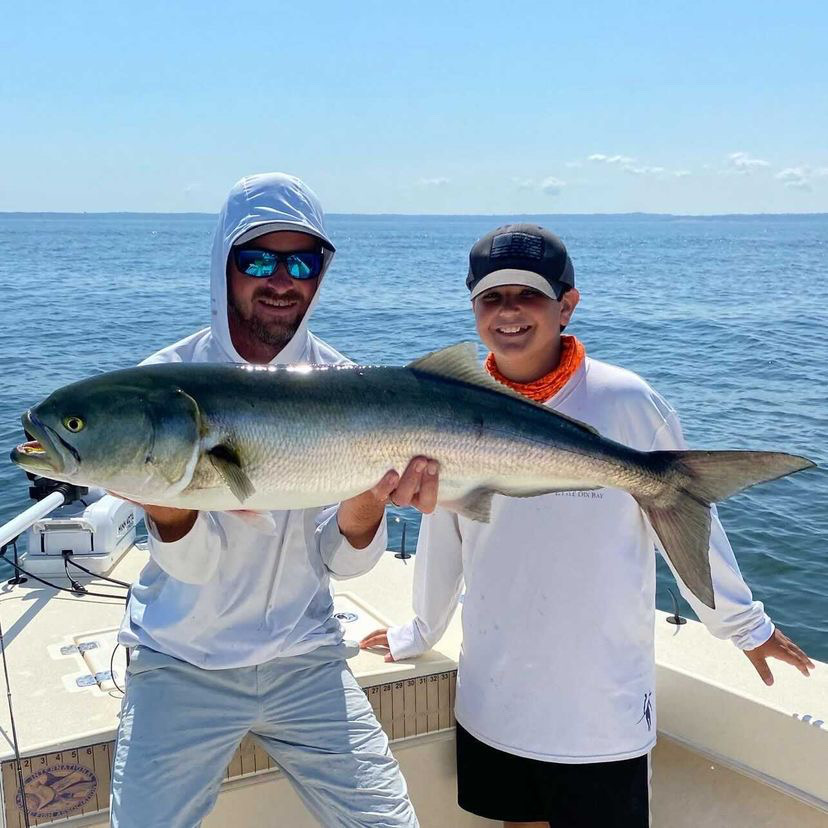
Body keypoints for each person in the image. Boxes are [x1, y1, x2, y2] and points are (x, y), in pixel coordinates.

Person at [360, 223, 814, 828]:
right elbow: (447, 532)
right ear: (473, 309)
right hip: (494, 692)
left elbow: (685, 516)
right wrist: (419, 630)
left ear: (567, 305)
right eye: (491, 298)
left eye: (529, 295)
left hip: (601, 702)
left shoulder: (626, 402)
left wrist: (741, 623)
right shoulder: (450, 406)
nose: (509, 312)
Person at [110, 173, 437, 828]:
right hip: (181, 662)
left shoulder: (348, 391)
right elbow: (195, 569)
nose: (281, 280)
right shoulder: (160, 390)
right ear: (224, 265)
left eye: (302, 262)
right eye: (258, 258)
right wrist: (170, 512)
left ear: (322, 273)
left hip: (307, 657)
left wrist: (369, 504)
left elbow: (341, 567)